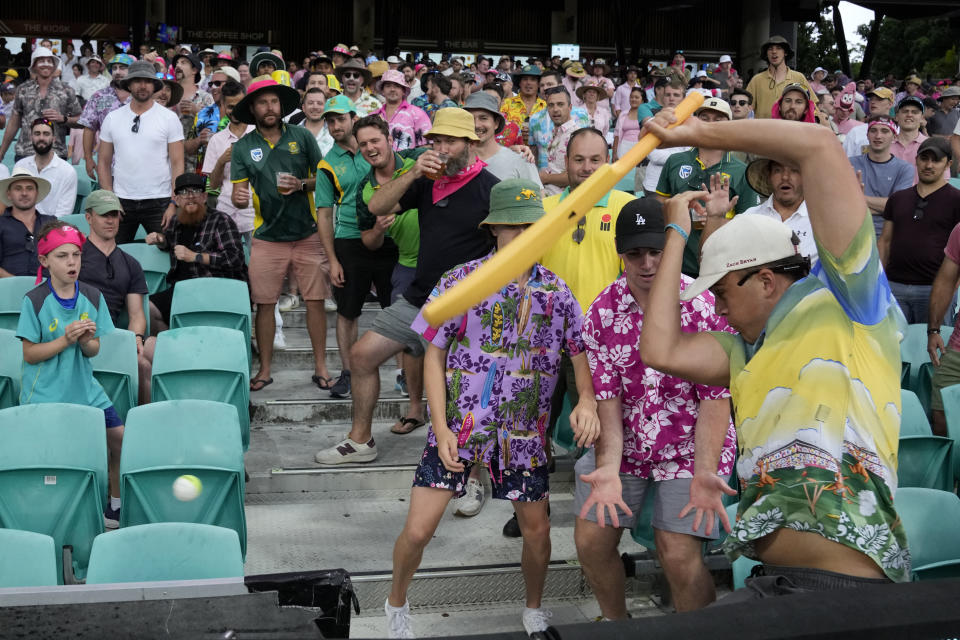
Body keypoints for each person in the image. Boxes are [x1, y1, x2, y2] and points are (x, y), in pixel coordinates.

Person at [637, 110, 910, 593]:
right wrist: (675, 235)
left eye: (721, 293)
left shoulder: (850, 304)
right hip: (774, 584)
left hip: (846, 592)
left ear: (765, 280)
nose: (718, 311)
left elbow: (820, 145)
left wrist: (698, 133)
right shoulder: (745, 350)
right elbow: (659, 348)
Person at [384, 179, 597, 639]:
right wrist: (440, 428)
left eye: (532, 227)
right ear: (494, 228)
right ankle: (395, 602)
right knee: (419, 531)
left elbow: (579, 353)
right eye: (513, 227)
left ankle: (534, 608)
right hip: (462, 427)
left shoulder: (556, 292)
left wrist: (586, 399)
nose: (523, 236)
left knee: (537, 532)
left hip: (523, 434)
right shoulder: (461, 280)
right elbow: (433, 350)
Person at [575, 198, 736, 616]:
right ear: (620, 253)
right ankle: (618, 622)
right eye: (635, 253)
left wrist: (705, 470)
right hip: (627, 440)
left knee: (678, 553)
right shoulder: (601, 313)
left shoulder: (701, 304)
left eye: (655, 251)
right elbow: (607, 400)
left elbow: (716, 401)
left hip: (689, 444)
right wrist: (609, 465)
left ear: (670, 248)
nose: (647, 263)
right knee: (591, 540)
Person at [315, 108, 498, 465]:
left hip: (467, 307)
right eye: (437, 140)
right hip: (421, 298)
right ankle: (360, 441)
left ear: (469, 143)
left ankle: (472, 473)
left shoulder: (490, 188)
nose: (442, 147)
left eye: (450, 140)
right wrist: (413, 171)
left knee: (465, 387)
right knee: (362, 355)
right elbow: (375, 204)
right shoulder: (427, 180)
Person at [17, 220, 124, 528]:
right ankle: (46, 514)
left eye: (75, 255)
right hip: (46, 393)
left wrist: (86, 340)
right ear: (44, 261)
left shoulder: (91, 296)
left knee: (120, 440)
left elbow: (94, 350)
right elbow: (29, 354)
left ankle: (113, 507)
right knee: (51, 460)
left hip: (85, 389)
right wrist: (65, 340)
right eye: (62, 256)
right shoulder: (34, 300)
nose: (71, 262)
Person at [230, 77, 330, 393]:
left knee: (315, 302)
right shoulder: (243, 147)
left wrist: (302, 185)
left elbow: (325, 177)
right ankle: (265, 369)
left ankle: (321, 366)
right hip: (267, 237)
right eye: (263, 102)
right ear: (253, 108)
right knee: (263, 304)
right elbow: (237, 193)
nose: (269, 107)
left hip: (308, 233)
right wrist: (238, 198)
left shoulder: (301, 136)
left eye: (274, 101)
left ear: (281, 106)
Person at [353, 116, 426, 434]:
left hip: (449, 266)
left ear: (389, 139)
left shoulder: (416, 159)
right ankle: (414, 409)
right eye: (364, 144)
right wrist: (379, 231)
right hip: (408, 266)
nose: (370, 148)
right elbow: (367, 240)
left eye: (375, 140)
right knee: (409, 344)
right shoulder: (364, 188)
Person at [315, 106, 394, 397]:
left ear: (353, 119)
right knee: (348, 311)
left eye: (340, 119)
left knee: (395, 306)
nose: (335, 125)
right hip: (349, 240)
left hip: (390, 236)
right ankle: (348, 372)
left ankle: (400, 372)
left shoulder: (376, 147)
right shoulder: (327, 164)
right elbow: (324, 215)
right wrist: (332, 259)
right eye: (330, 121)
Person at [654, 97, 760, 276]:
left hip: (722, 269)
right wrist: (678, 213)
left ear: (729, 124)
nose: (711, 124)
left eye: (718, 119)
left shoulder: (742, 171)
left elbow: (750, 224)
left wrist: (717, 221)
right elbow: (659, 205)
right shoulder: (675, 161)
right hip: (677, 266)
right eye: (705, 118)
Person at [98, 61, 185, 244]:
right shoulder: (112, 118)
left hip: (159, 200)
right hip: (121, 200)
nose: (143, 86)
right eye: (137, 80)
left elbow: (178, 163)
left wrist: (173, 202)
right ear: (129, 84)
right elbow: (103, 163)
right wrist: (110, 200)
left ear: (154, 85)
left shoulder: (169, 118)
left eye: (147, 81)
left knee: (167, 255)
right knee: (113, 255)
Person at [145, 172, 247, 325]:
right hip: (182, 290)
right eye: (184, 192)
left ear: (204, 197)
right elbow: (170, 243)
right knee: (146, 309)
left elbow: (235, 259)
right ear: (177, 200)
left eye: (196, 191)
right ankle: (173, 345)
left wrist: (196, 256)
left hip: (216, 289)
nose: (190, 196)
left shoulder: (221, 220)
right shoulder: (175, 221)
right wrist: (160, 240)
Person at [77, 190, 150, 403]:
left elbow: (136, 314)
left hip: (110, 335)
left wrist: (136, 339)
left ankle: (141, 423)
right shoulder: (74, 255)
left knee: (143, 364)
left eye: (114, 214)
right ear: (89, 218)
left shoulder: (131, 263)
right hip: (76, 330)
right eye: (104, 214)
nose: (110, 220)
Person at [879, 136, 960, 326]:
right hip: (894, 287)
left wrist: (951, 288)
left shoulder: (956, 200)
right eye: (924, 158)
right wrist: (880, 282)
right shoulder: (898, 199)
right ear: (916, 160)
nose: (929, 165)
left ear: (948, 163)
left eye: (936, 160)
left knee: (932, 349)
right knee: (892, 349)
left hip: (935, 289)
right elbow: (885, 241)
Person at [0, 47, 82, 162]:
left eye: (49, 61)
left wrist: (63, 119)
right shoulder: (22, 90)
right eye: (41, 61)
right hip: (25, 153)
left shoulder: (66, 90)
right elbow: (14, 122)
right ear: (34, 66)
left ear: (54, 66)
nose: (46, 64)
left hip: (56, 154)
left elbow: (81, 121)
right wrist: (2, 151)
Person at [202, 80, 255, 245]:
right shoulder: (216, 140)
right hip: (226, 212)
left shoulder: (259, 135)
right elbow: (215, 185)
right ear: (223, 107)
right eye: (231, 107)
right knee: (228, 265)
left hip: (256, 214)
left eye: (239, 106)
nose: (236, 111)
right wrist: (221, 161)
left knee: (256, 266)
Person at [849, 115, 914, 237]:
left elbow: (898, 206)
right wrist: (884, 206)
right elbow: (842, 203)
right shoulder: (849, 163)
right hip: (852, 232)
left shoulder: (905, 169)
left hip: (886, 236)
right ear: (867, 135)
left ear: (895, 136)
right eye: (873, 131)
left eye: (885, 131)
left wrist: (859, 199)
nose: (878, 136)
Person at [743, 158, 817, 263]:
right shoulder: (749, 217)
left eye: (794, 170)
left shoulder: (822, 222)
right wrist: (716, 216)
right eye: (778, 170)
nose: (785, 177)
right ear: (769, 176)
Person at [464, 92, 541, 187]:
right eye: (470, 119)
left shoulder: (520, 159)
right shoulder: (456, 161)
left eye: (483, 118)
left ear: (496, 123)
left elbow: (537, 198)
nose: (476, 125)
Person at [78, 53, 132, 181]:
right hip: (106, 166)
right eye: (114, 68)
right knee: (108, 200)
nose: (117, 72)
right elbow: (89, 128)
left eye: (123, 68)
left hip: (137, 166)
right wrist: (89, 158)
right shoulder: (99, 96)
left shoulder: (140, 96)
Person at [14, 118, 77, 218]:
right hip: (21, 226)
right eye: (37, 134)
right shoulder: (21, 166)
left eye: (46, 134)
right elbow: (15, 202)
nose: (41, 138)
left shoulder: (67, 171)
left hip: (51, 228)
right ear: (31, 137)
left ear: (53, 138)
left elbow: (64, 213)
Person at [0, 169, 56, 277]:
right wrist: (19, 284)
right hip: (8, 288)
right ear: (9, 194)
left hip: (47, 287)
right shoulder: (1, 224)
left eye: (29, 188)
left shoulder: (51, 222)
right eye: (18, 189)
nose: (24, 193)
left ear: (37, 193)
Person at [744, 36, 812, 119]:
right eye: (770, 49)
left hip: (792, 129)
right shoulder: (756, 80)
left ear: (785, 53)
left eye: (778, 48)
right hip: (763, 130)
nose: (774, 52)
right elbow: (746, 109)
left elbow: (813, 107)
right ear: (766, 54)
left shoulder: (799, 77)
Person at [642, 80, 689, 195]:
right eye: (668, 95)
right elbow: (653, 156)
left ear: (683, 98)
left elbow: (690, 155)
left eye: (676, 95)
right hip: (654, 186)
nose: (671, 98)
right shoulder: (653, 122)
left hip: (681, 185)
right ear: (663, 98)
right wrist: (680, 154)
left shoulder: (691, 123)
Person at [539, 87, 586, 196]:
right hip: (549, 199)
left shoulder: (577, 135)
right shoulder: (555, 132)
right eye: (551, 105)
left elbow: (579, 175)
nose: (555, 109)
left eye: (560, 104)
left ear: (570, 107)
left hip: (566, 203)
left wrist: (545, 178)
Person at [173, 52, 214, 174]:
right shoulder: (168, 96)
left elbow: (214, 129)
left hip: (195, 164)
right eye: (176, 63)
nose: (177, 66)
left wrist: (197, 111)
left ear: (194, 70)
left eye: (183, 63)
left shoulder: (205, 97)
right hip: (170, 163)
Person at [372, 70, 431, 152]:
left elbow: (426, 146)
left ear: (403, 91)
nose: (392, 89)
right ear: (382, 91)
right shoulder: (373, 116)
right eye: (388, 86)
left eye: (397, 86)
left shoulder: (417, 114)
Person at [843, 87, 895, 157]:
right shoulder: (856, 131)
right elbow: (846, 160)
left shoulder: (898, 131)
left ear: (890, 104)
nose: (873, 102)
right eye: (871, 99)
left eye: (879, 99)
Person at [500, 64, 544, 145]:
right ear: (520, 83)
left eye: (533, 79)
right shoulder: (505, 104)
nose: (528, 83)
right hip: (512, 152)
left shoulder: (546, 106)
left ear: (538, 84)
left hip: (540, 154)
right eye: (525, 79)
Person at [613, 87, 643, 162]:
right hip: (624, 147)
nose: (633, 99)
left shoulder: (646, 115)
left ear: (642, 100)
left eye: (636, 97)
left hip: (641, 147)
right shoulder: (623, 114)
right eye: (631, 97)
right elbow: (616, 135)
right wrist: (614, 153)